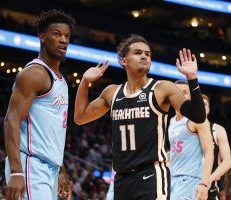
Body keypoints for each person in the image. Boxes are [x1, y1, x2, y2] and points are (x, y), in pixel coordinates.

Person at [74, 34, 206, 200]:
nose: (144, 56)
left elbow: (199, 116)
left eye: (148, 54)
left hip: (151, 174)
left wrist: (192, 78)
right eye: (138, 52)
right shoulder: (112, 93)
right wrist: (85, 82)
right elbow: (80, 118)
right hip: (121, 177)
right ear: (124, 61)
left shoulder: (162, 88)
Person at [4, 10, 76, 200]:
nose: (63, 40)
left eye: (67, 36)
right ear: (42, 37)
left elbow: (52, 134)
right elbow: (11, 120)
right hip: (30, 164)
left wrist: (60, 170)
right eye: (57, 34)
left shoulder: (61, 81)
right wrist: (16, 172)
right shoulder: (34, 73)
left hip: (49, 167)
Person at [168, 81, 214, 200]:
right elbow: (176, 151)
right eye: (177, 92)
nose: (181, 96)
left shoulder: (198, 119)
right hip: (171, 178)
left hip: (190, 179)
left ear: (191, 96)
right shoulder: (171, 121)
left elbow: (209, 151)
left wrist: (204, 183)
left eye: (185, 93)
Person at [202, 94, 231, 200]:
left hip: (210, 188)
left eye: (204, 104)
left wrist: (208, 180)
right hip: (184, 186)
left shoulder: (217, 130)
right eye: (198, 103)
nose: (201, 106)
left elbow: (228, 161)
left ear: (208, 109)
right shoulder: (182, 129)